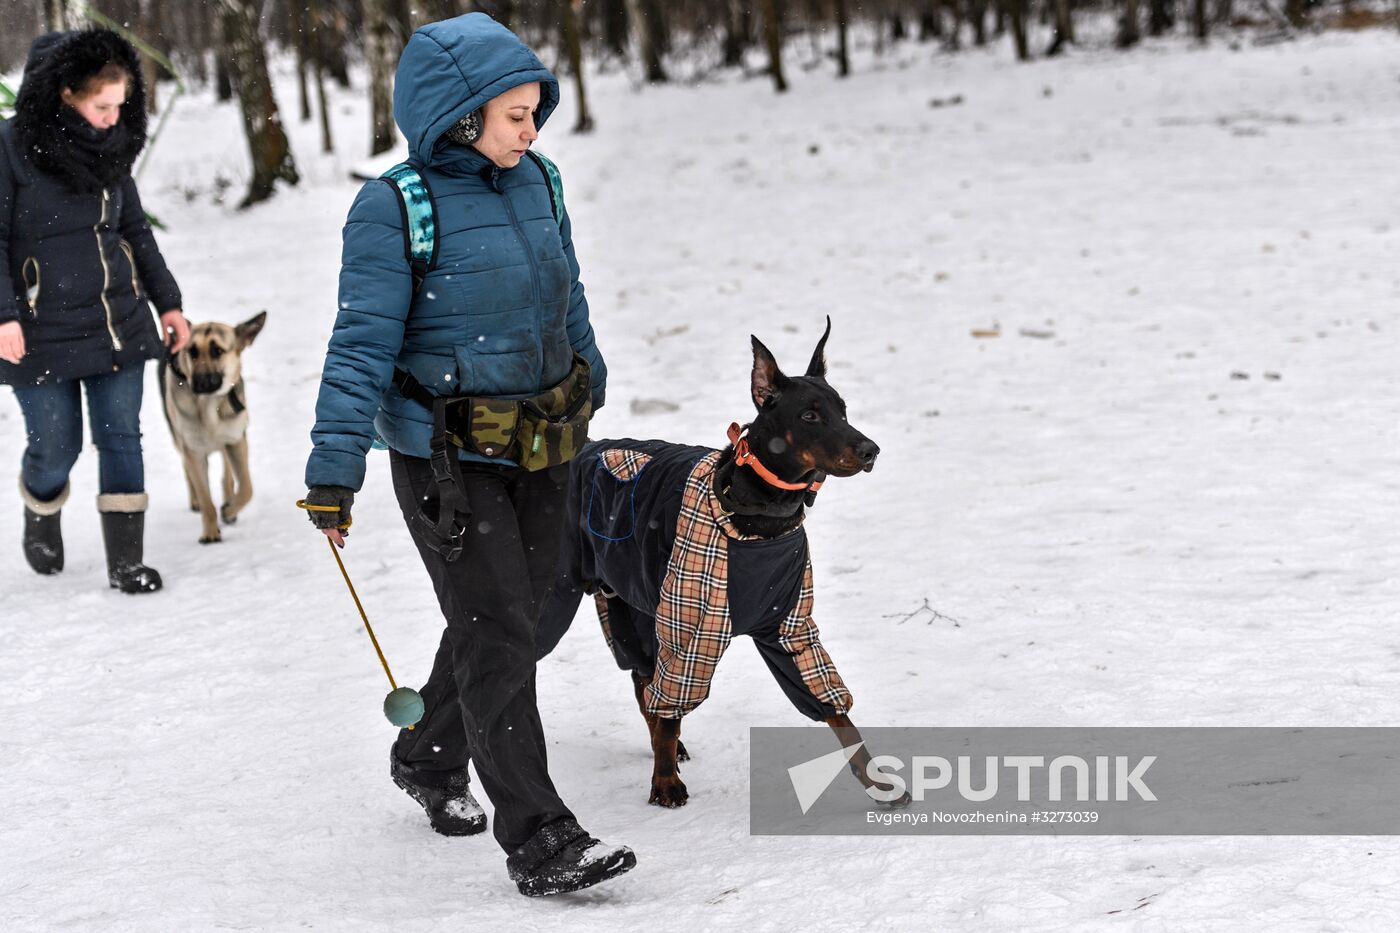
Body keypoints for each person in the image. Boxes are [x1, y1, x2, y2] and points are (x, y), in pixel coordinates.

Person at [302, 13, 634, 897]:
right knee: (496, 630)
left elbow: (567, 297)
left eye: (536, 114)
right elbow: (361, 343)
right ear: (461, 117)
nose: (533, 132)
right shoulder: (393, 207)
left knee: (534, 616)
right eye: (517, 116)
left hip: (546, 440)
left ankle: (427, 750)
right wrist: (334, 467)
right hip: (447, 462)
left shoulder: (541, 182)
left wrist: (588, 381)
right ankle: (541, 835)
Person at [0, 28, 190, 593]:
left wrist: (171, 305)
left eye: (121, 105)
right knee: (56, 446)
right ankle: (41, 505)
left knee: (121, 437)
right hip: (38, 331)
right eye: (102, 105)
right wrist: (4, 314)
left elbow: (134, 230)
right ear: (65, 94)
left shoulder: (115, 145)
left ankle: (126, 562)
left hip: (116, 322)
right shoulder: (11, 148)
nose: (114, 117)